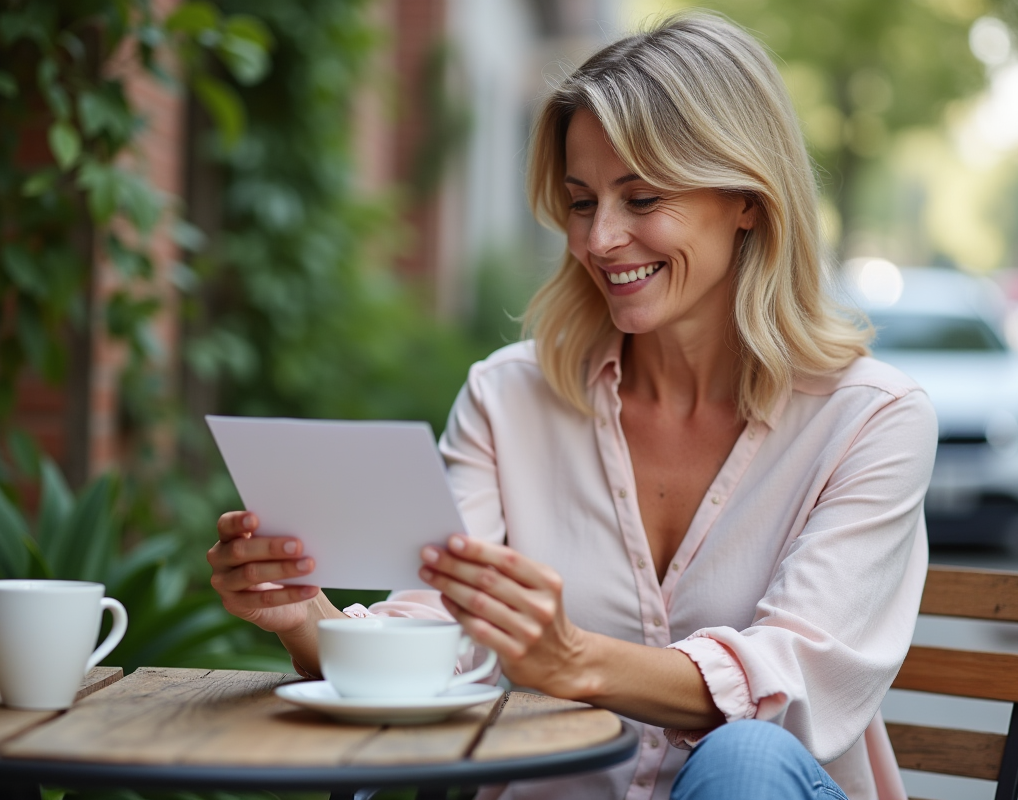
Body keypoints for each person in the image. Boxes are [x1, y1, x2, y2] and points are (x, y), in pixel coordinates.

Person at [208, 12, 937, 800]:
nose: (599, 239)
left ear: (747, 200)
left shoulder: (871, 420)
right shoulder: (508, 400)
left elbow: (797, 681)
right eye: (582, 202)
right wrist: (305, 618)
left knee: (746, 761)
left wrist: (574, 660)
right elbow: (435, 634)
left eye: (642, 197)